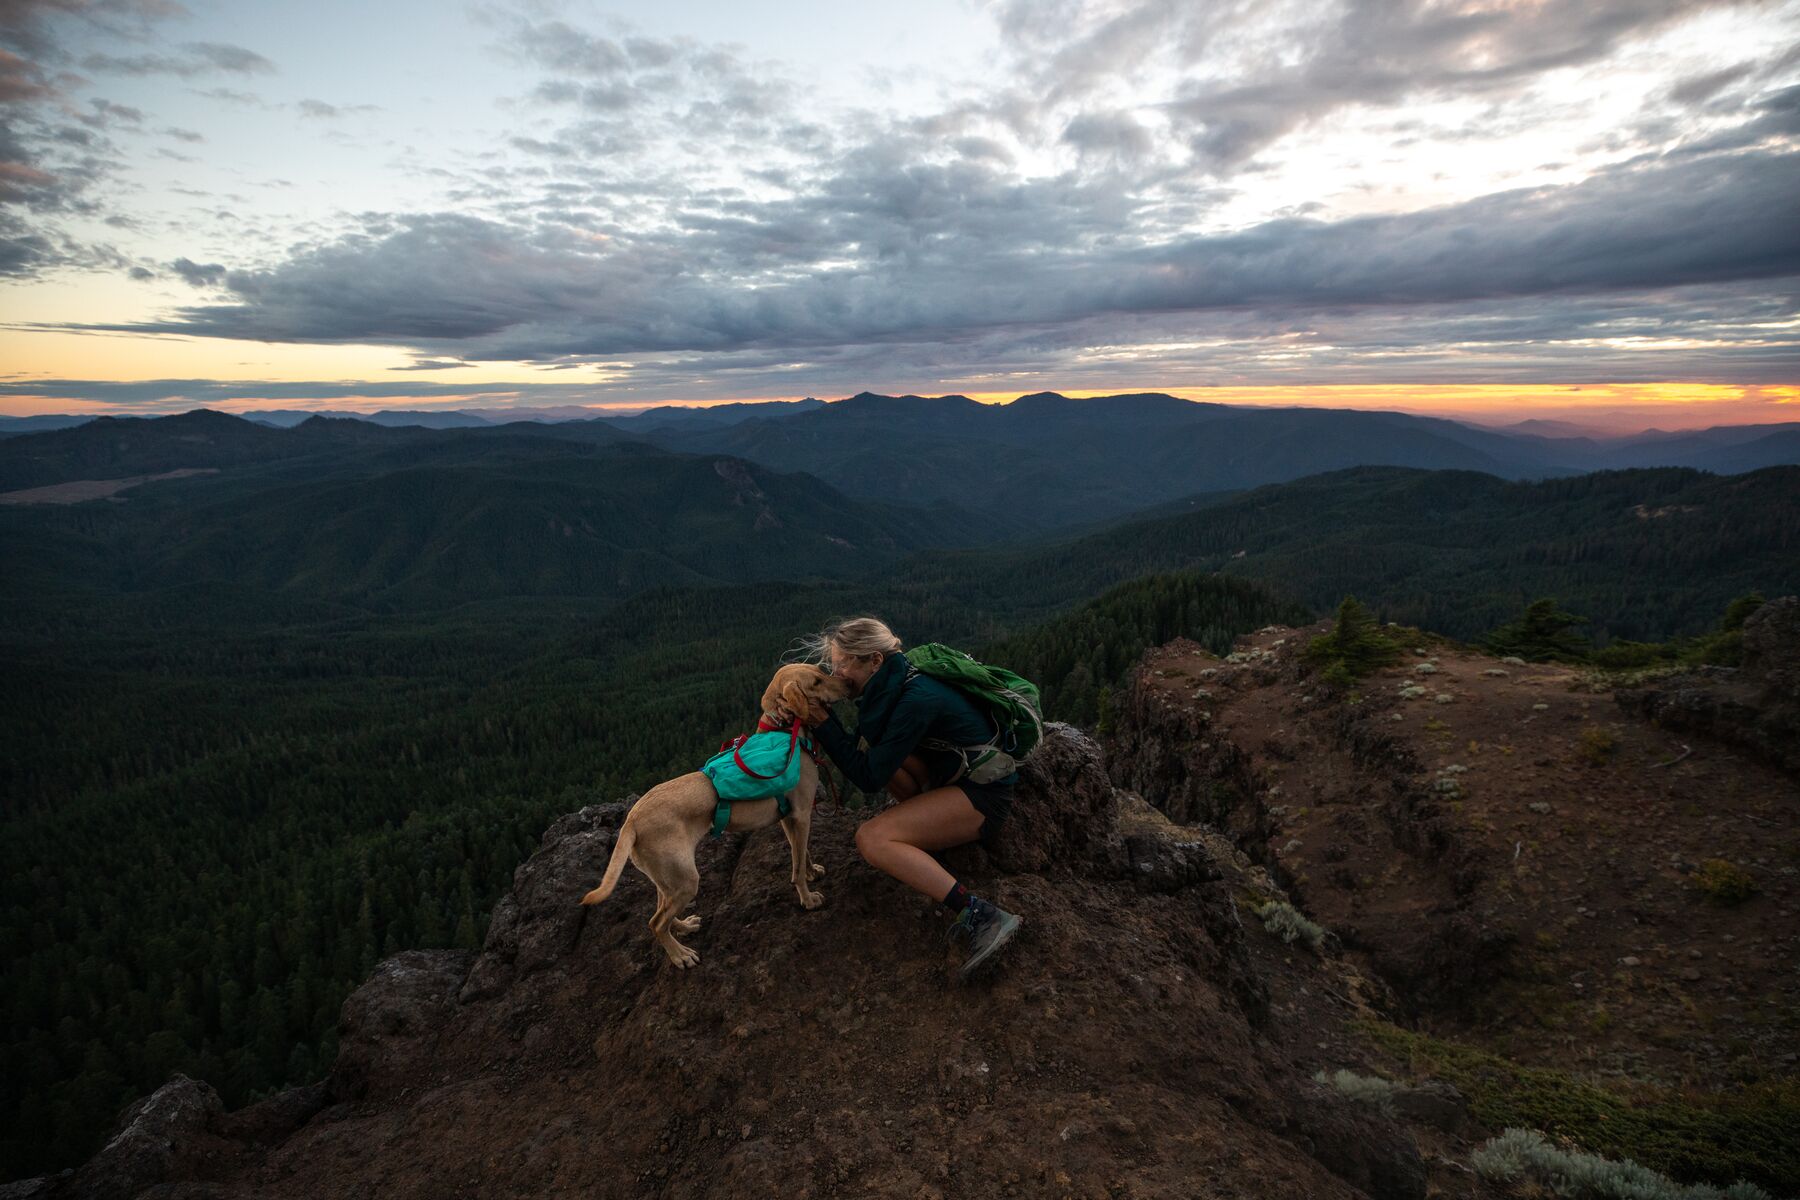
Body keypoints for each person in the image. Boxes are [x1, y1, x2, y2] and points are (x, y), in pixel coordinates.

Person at [794, 615, 1023, 978]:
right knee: (877, 752)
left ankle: (983, 915)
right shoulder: (895, 685)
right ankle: (922, 835)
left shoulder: (915, 699)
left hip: (983, 795)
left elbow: (868, 778)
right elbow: (875, 762)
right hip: (950, 778)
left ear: (875, 661)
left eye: (842, 663)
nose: (836, 673)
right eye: (832, 664)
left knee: (871, 838)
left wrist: (822, 723)